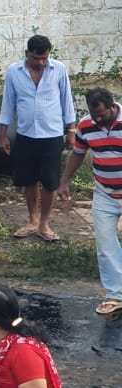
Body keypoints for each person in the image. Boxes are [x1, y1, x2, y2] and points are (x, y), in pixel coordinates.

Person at [0, 34, 75, 243]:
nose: (41, 62)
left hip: (52, 136)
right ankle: (32, 220)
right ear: (27, 54)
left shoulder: (58, 69)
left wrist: (71, 131)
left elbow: (67, 101)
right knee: (29, 180)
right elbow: (8, 104)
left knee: (50, 182)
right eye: (36, 59)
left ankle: (45, 224)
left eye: (44, 58)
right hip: (26, 134)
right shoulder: (14, 72)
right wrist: (3, 135)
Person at [58, 88, 122, 317]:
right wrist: (64, 181)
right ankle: (116, 294)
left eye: (102, 115)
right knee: (105, 245)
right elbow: (78, 154)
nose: (97, 119)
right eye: (94, 115)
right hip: (104, 191)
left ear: (112, 105)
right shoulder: (86, 126)